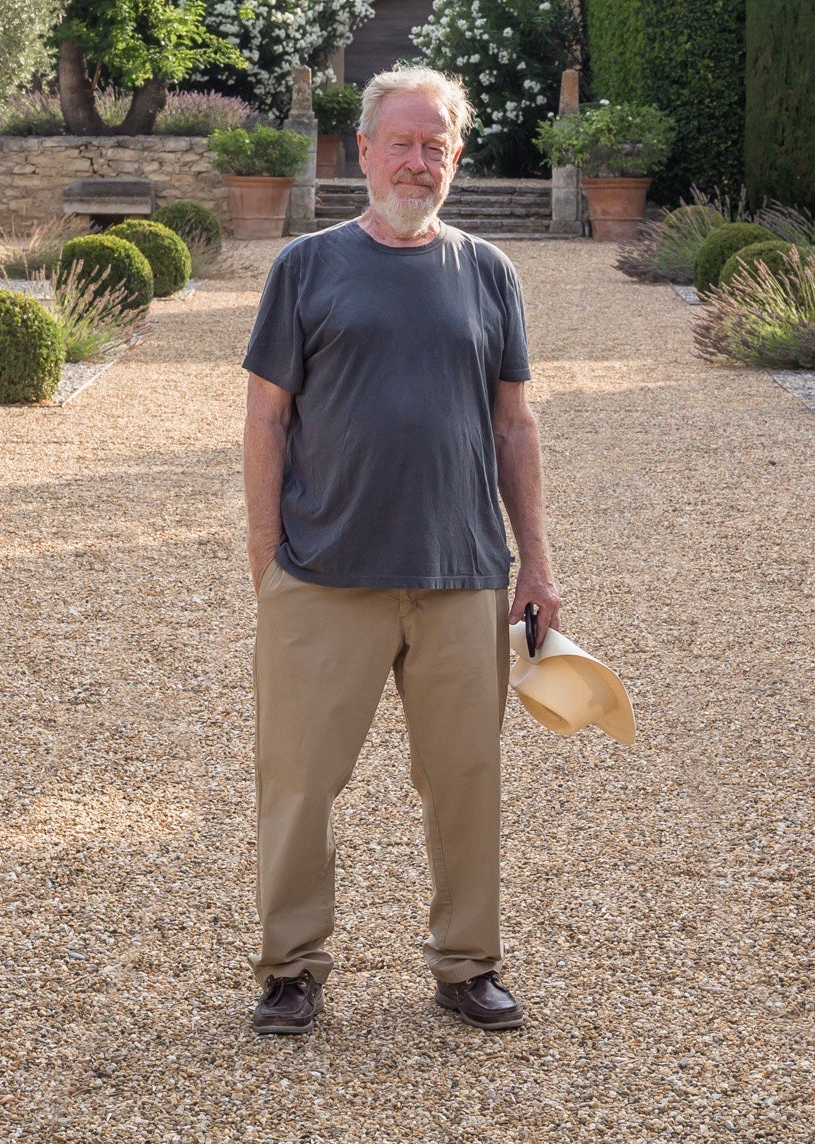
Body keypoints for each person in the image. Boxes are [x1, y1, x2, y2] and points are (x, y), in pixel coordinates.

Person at [239, 64, 559, 1037]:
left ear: (454, 158)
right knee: (298, 782)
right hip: (325, 575)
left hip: (463, 573)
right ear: (364, 148)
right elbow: (264, 420)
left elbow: (514, 425)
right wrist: (267, 562)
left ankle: (469, 963)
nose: (416, 161)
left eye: (436, 145)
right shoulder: (306, 266)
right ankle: (290, 967)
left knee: (466, 781)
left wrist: (536, 561)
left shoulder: (490, 273)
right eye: (402, 142)